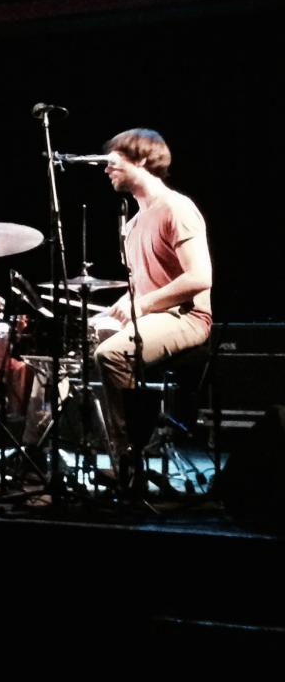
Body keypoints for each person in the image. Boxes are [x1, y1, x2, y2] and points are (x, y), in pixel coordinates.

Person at [92, 129, 212, 478]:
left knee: (111, 353)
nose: (106, 169)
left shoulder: (177, 208)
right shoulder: (131, 225)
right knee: (81, 343)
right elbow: (140, 285)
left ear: (142, 159)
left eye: (113, 161)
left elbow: (199, 277)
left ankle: (130, 455)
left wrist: (142, 305)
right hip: (152, 315)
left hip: (186, 317)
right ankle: (40, 451)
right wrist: (118, 307)